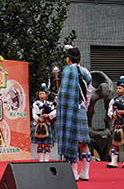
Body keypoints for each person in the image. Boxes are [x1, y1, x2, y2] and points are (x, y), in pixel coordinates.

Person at [56, 45, 92, 181]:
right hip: (81, 109)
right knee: (83, 143)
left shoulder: (67, 71)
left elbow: (64, 94)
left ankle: (73, 173)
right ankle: (85, 173)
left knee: (71, 141)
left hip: (69, 111)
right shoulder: (86, 72)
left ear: (69, 59)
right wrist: (84, 108)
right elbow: (88, 93)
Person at [31, 83, 56, 162]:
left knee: (46, 143)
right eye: (40, 93)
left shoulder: (50, 104)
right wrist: (38, 118)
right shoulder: (35, 103)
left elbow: (55, 112)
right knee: (40, 143)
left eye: (43, 93)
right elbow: (34, 113)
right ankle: (41, 159)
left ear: (46, 95)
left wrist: (48, 115)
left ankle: (46, 159)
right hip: (39, 123)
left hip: (47, 123)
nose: (41, 95)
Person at [106, 76, 124, 168]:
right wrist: (112, 114)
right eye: (117, 88)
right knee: (115, 143)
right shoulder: (113, 100)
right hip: (117, 123)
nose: (118, 90)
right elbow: (109, 111)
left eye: (120, 88)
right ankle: (114, 162)